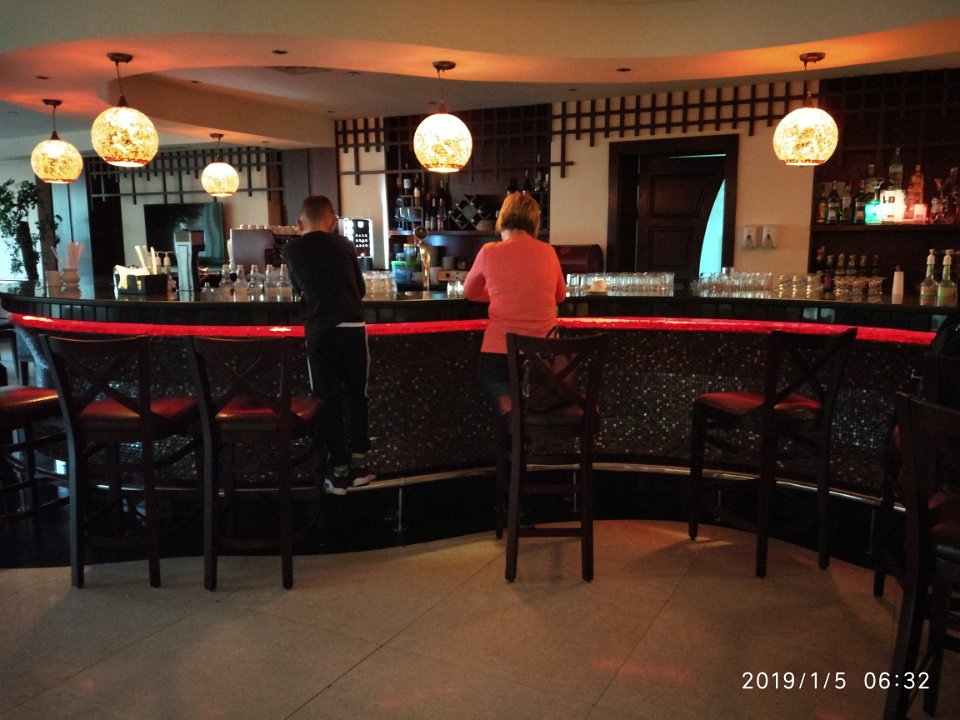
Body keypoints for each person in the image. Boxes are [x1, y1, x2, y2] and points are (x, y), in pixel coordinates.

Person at [284, 195, 374, 495]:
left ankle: (338, 473)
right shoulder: (345, 245)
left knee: (326, 400)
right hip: (352, 327)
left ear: (299, 222)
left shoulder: (291, 249)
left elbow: (298, 289)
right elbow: (360, 289)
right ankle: (359, 467)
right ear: (333, 221)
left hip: (319, 331)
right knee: (357, 395)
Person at [463, 192, 567, 407]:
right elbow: (560, 296)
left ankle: (511, 420)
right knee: (537, 403)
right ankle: (523, 424)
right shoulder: (548, 251)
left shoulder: (489, 251)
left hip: (499, 351)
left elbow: (470, 293)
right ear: (534, 222)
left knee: (503, 398)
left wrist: (502, 293)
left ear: (501, 219)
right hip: (544, 355)